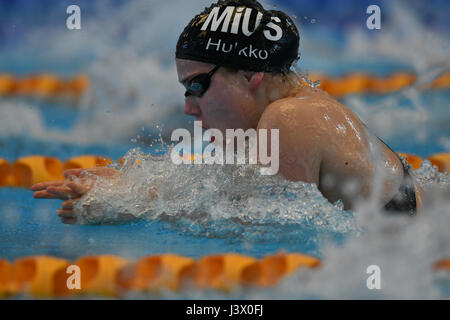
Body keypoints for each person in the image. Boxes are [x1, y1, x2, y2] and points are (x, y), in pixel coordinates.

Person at [32, 0, 423, 224]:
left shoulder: (290, 119)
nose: (188, 107)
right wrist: (131, 184)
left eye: (197, 86)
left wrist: (126, 208)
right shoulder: (295, 113)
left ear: (251, 73)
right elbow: (235, 195)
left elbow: (261, 230)